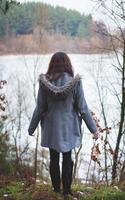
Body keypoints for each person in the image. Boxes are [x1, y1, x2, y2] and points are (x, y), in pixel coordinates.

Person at [28, 52, 98, 198]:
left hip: (52, 128)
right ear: (67, 64)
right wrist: (94, 129)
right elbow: (83, 108)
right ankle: (66, 191)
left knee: (54, 159)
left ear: (52, 64)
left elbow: (40, 108)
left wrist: (31, 127)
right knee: (68, 158)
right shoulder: (75, 82)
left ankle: (56, 189)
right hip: (69, 128)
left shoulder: (44, 83)